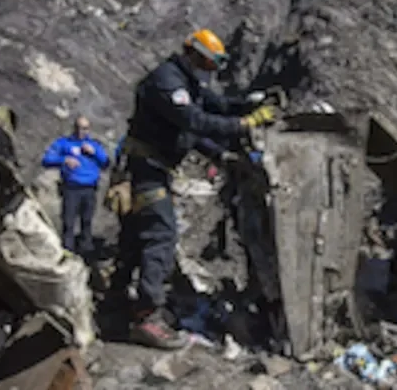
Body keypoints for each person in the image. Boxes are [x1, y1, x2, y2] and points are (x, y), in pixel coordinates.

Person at [117, 28, 277, 349]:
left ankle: (117, 308)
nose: (209, 71)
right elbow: (195, 121)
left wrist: (247, 106)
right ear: (193, 55)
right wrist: (246, 124)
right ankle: (147, 318)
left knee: (136, 240)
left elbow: (215, 107)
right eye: (207, 63)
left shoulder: (189, 83)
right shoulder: (168, 81)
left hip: (155, 168)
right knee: (161, 235)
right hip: (146, 169)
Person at [41, 115, 110, 257]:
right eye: (78, 128)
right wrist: (64, 159)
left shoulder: (94, 145)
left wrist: (94, 153)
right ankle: (67, 251)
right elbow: (46, 159)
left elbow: (106, 163)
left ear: (89, 129)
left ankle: (86, 251)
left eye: (84, 128)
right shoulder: (64, 143)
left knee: (87, 221)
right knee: (68, 221)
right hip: (71, 188)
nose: (81, 131)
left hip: (89, 189)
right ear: (74, 128)